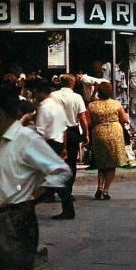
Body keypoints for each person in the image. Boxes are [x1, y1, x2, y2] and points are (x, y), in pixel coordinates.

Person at [0, 83, 71, 270]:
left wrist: (31, 200)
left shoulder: (26, 138)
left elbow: (60, 171)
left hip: (13, 222)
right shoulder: (0, 142)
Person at [34, 80, 77, 219]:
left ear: (41, 92)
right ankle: (67, 207)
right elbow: (64, 129)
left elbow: (39, 131)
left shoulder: (44, 108)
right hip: (58, 143)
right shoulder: (57, 106)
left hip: (48, 144)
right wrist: (64, 148)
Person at [49, 74, 89, 216]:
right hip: (71, 131)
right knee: (71, 162)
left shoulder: (53, 95)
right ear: (72, 84)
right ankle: (68, 191)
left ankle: (55, 191)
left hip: (56, 130)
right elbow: (82, 117)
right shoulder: (77, 97)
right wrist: (86, 133)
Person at [88, 82, 129, 199]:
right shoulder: (116, 104)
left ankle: (99, 187)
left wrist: (94, 91)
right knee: (112, 163)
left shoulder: (92, 105)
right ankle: (106, 190)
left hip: (99, 132)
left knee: (101, 163)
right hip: (114, 132)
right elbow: (124, 119)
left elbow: (89, 121)